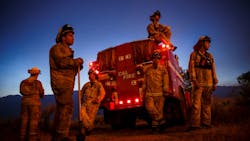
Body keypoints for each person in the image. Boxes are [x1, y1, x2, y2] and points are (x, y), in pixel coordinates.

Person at [49, 24, 84, 140]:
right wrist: (75, 62)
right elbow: (61, 62)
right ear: (63, 37)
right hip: (61, 83)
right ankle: (62, 135)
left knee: (62, 109)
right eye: (70, 35)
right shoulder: (57, 48)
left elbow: (69, 68)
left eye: (73, 35)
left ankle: (57, 135)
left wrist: (78, 66)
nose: (73, 37)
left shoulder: (68, 51)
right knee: (67, 107)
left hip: (67, 83)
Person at [187, 35, 218, 131]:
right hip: (198, 84)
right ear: (201, 43)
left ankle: (206, 124)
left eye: (209, 42)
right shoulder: (194, 55)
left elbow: (213, 69)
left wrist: (214, 82)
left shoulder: (210, 56)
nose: (209, 45)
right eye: (207, 42)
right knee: (196, 105)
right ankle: (195, 125)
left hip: (208, 84)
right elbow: (191, 69)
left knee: (207, 104)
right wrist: (194, 80)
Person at [143, 51, 171, 132]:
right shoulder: (147, 70)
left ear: (159, 60)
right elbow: (145, 82)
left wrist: (165, 89)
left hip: (160, 94)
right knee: (150, 108)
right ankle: (161, 120)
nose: (156, 60)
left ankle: (155, 126)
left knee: (159, 110)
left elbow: (166, 81)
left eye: (157, 59)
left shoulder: (163, 70)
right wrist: (143, 91)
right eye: (154, 59)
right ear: (152, 60)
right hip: (149, 94)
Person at [20, 67, 44, 141]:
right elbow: (42, 94)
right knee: (34, 121)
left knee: (24, 120)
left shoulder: (23, 82)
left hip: (24, 103)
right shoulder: (38, 83)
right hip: (35, 104)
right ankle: (32, 138)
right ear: (37, 74)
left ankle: (22, 137)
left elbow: (21, 91)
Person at [80, 69, 105, 135]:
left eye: (91, 74)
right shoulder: (86, 85)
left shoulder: (99, 85)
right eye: (89, 75)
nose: (89, 76)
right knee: (82, 114)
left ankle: (86, 130)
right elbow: (81, 93)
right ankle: (88, 128)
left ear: (94, 76)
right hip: (85, 103)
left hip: (93, 104)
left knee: (90, 119)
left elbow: (102, 93)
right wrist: (81, 101)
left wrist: (98, 99)